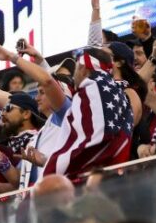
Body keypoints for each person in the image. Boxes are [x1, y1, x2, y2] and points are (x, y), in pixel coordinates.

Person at [42, 47, 134, 177]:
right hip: (114, 175)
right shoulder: (117, 92)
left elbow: (85, 141)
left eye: (75, 69)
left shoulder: (92, 91)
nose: (73, 76)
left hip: (89, 180)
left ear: (83, 69)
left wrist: (13, 57)